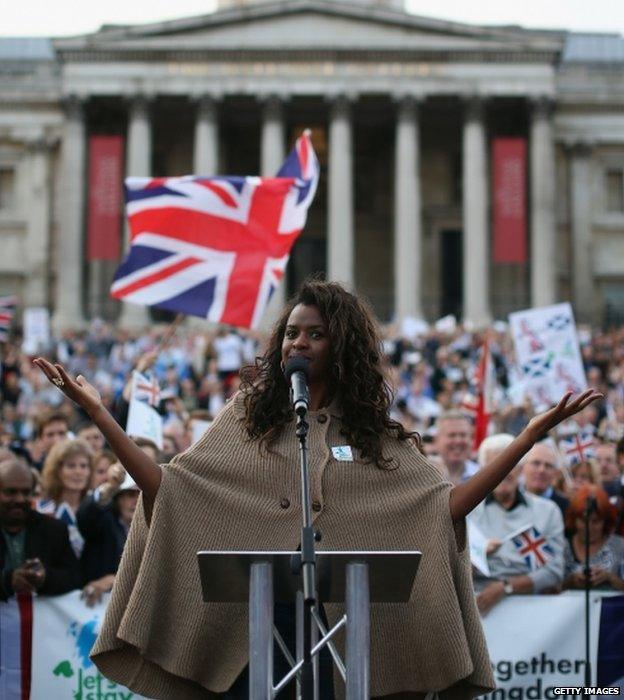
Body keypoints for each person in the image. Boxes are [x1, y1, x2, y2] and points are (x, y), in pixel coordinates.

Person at [34, 280, 601, 699]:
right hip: (258, 632)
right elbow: (172, 488)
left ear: (342, 344)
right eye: (290, 332)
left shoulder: (376, 433)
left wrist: (526, 438)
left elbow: (440, 508)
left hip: (345, 635)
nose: (297, 342)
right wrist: (99, 413)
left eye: (315, 333)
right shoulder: (246, 419)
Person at [468, 435, 566, 615]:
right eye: (495, 466)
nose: (503, 472)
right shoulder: (468, 513)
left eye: (509, 465)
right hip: (478, 608)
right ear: (482, 470)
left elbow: (555, 570)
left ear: (521, 469)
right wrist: (478, 556)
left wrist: (505, 587)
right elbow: (450, 569)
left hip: (532, 611)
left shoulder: (548, 511)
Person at [0, 458, 81, 599]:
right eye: (10, 492)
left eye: (26, 492)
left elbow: (74, 578)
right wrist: (8, 580)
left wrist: (44, 578)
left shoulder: (55, 529)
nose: (20, 499)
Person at [78, 464, 140, 606]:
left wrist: (115, 579)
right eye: (130, 495)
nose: (136, 500)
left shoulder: (155, 529)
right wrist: (110, 487)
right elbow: (85, 518)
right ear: (118, 499)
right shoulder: (105, 524)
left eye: (142, 495)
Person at [37, 438, 94, 558]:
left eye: (83, 466)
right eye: (71, 466)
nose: (78, 472)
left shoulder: (96, 506)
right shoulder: (44, 509)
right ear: (57, 471)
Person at [562, 485, 624, 592]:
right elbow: (547, 589)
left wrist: (610, 578)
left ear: (605, 521)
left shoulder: (620, 546)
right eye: (583, 520)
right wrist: (570, 582)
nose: (589, 527)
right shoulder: (562, 547)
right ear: (574, 519)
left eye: (596, 521)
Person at [521, 442, 570, 516]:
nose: (542, 470)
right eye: (536, 463)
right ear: (523, 467)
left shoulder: (567, 508)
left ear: (555, 472)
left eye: (548, 465)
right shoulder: (510, 501)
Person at [434, 411, 479, 485]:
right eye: (452, 435)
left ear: (471, 439)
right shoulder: (426, 475)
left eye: (463, 435)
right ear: (437, 440)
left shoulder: (480, 474)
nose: (458, 441)